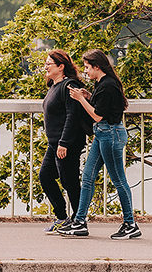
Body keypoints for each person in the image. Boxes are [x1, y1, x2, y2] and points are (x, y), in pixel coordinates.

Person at [57, 50, 141, 239]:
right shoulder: (102, 84)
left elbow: (97, 115)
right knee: (87, 177)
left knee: (119, 180)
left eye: (87, 67)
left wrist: (80, 99)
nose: (85, 71)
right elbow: (101, 107)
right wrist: (87, 96)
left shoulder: (108, 86)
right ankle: (79, 222)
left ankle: (130, 224)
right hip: (103, 134)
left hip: (110, 135)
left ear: (97, 66)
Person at [39, 49, 87, 232]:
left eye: (49, 64)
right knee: (46, 176)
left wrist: (64, 143)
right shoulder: (54, 86)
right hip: (55, 143)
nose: (45, 67)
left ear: (61, 66)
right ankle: (62, 217)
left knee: (70, 181)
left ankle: (79, 220)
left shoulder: (69, 85)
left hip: (66, 143)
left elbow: (72, 115)